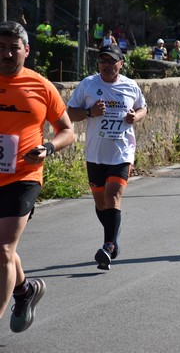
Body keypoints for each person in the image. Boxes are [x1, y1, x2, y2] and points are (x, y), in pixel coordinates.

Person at [0, 21, 75, 333]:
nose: (6, 53)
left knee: (3, 249)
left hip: (24, 176)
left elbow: (67, 131)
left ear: (26, 51)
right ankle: (25, 290)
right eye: (1, 47)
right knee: (3, 249)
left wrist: (48, 147)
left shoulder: (42, 86)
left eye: (13, 48)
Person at [67, 44, 148, 270]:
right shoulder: (88, 85)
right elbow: (70, 112)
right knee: (101, 204)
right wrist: (89, 112)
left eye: (112, 61)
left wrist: (136, 116)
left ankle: (108, 246)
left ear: (121, 64)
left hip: (121, 152)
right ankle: (113, 239)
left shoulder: (131, 86)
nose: (107, 66)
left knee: (113, 196)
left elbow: (143, 108)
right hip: (95, 154)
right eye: (103, 61)